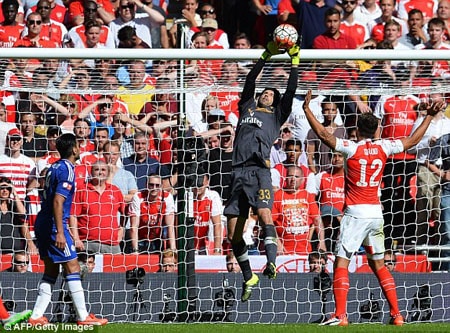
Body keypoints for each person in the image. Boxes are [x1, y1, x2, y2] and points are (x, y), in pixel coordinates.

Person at [302, 89, 444, 326]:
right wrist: (428, 117)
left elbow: (324, 136)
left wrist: (307, 110)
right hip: (376, 214)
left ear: (357, 129)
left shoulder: (351, 147)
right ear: (378, 129)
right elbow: (412, 141)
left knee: (341, 263)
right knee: (378, 265)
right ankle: (397, 315)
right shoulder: (385, 147)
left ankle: (340, 315)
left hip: (355, 213)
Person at [223, 40, 299, 302]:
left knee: (265, 214)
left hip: (259, 172)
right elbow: (250, 79)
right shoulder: (247, 107)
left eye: (270, 93)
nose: (265, 94)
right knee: (233, 236)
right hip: (237, 173)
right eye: (264, 92)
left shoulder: (277, 116)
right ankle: (248, 276)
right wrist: (265, 54)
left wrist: (294, 61)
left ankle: (271, 263)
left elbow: (290, 91)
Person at [28, 133, 107, 326]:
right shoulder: (68, 170)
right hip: (55, 225)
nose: (80, 149)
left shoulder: (52, 167)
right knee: (72, 267)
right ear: (74, 149)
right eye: (79, 146)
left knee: (51, 270)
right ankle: (83, 317)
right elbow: (57, 200)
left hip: (43, 222)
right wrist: (61, 232)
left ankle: (36, 316)